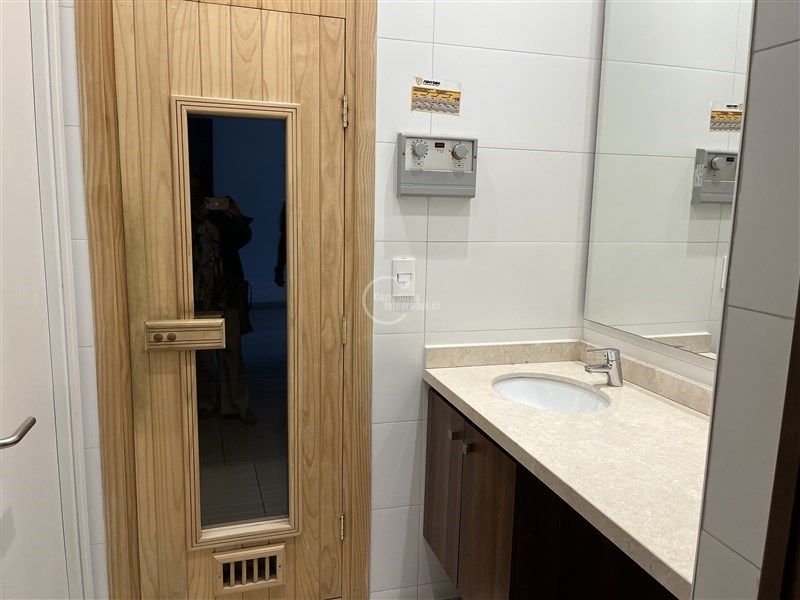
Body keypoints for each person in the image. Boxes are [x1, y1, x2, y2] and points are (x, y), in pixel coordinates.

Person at [192, 191, 257, 425]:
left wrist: (236, 216)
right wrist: (194, 221)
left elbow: (242, 238)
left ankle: (237, 404)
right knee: (202, 355)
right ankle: (205, 403)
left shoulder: (221, 220)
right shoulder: (182, 222)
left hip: (225, 293)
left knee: (232, 351)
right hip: (196, 298)